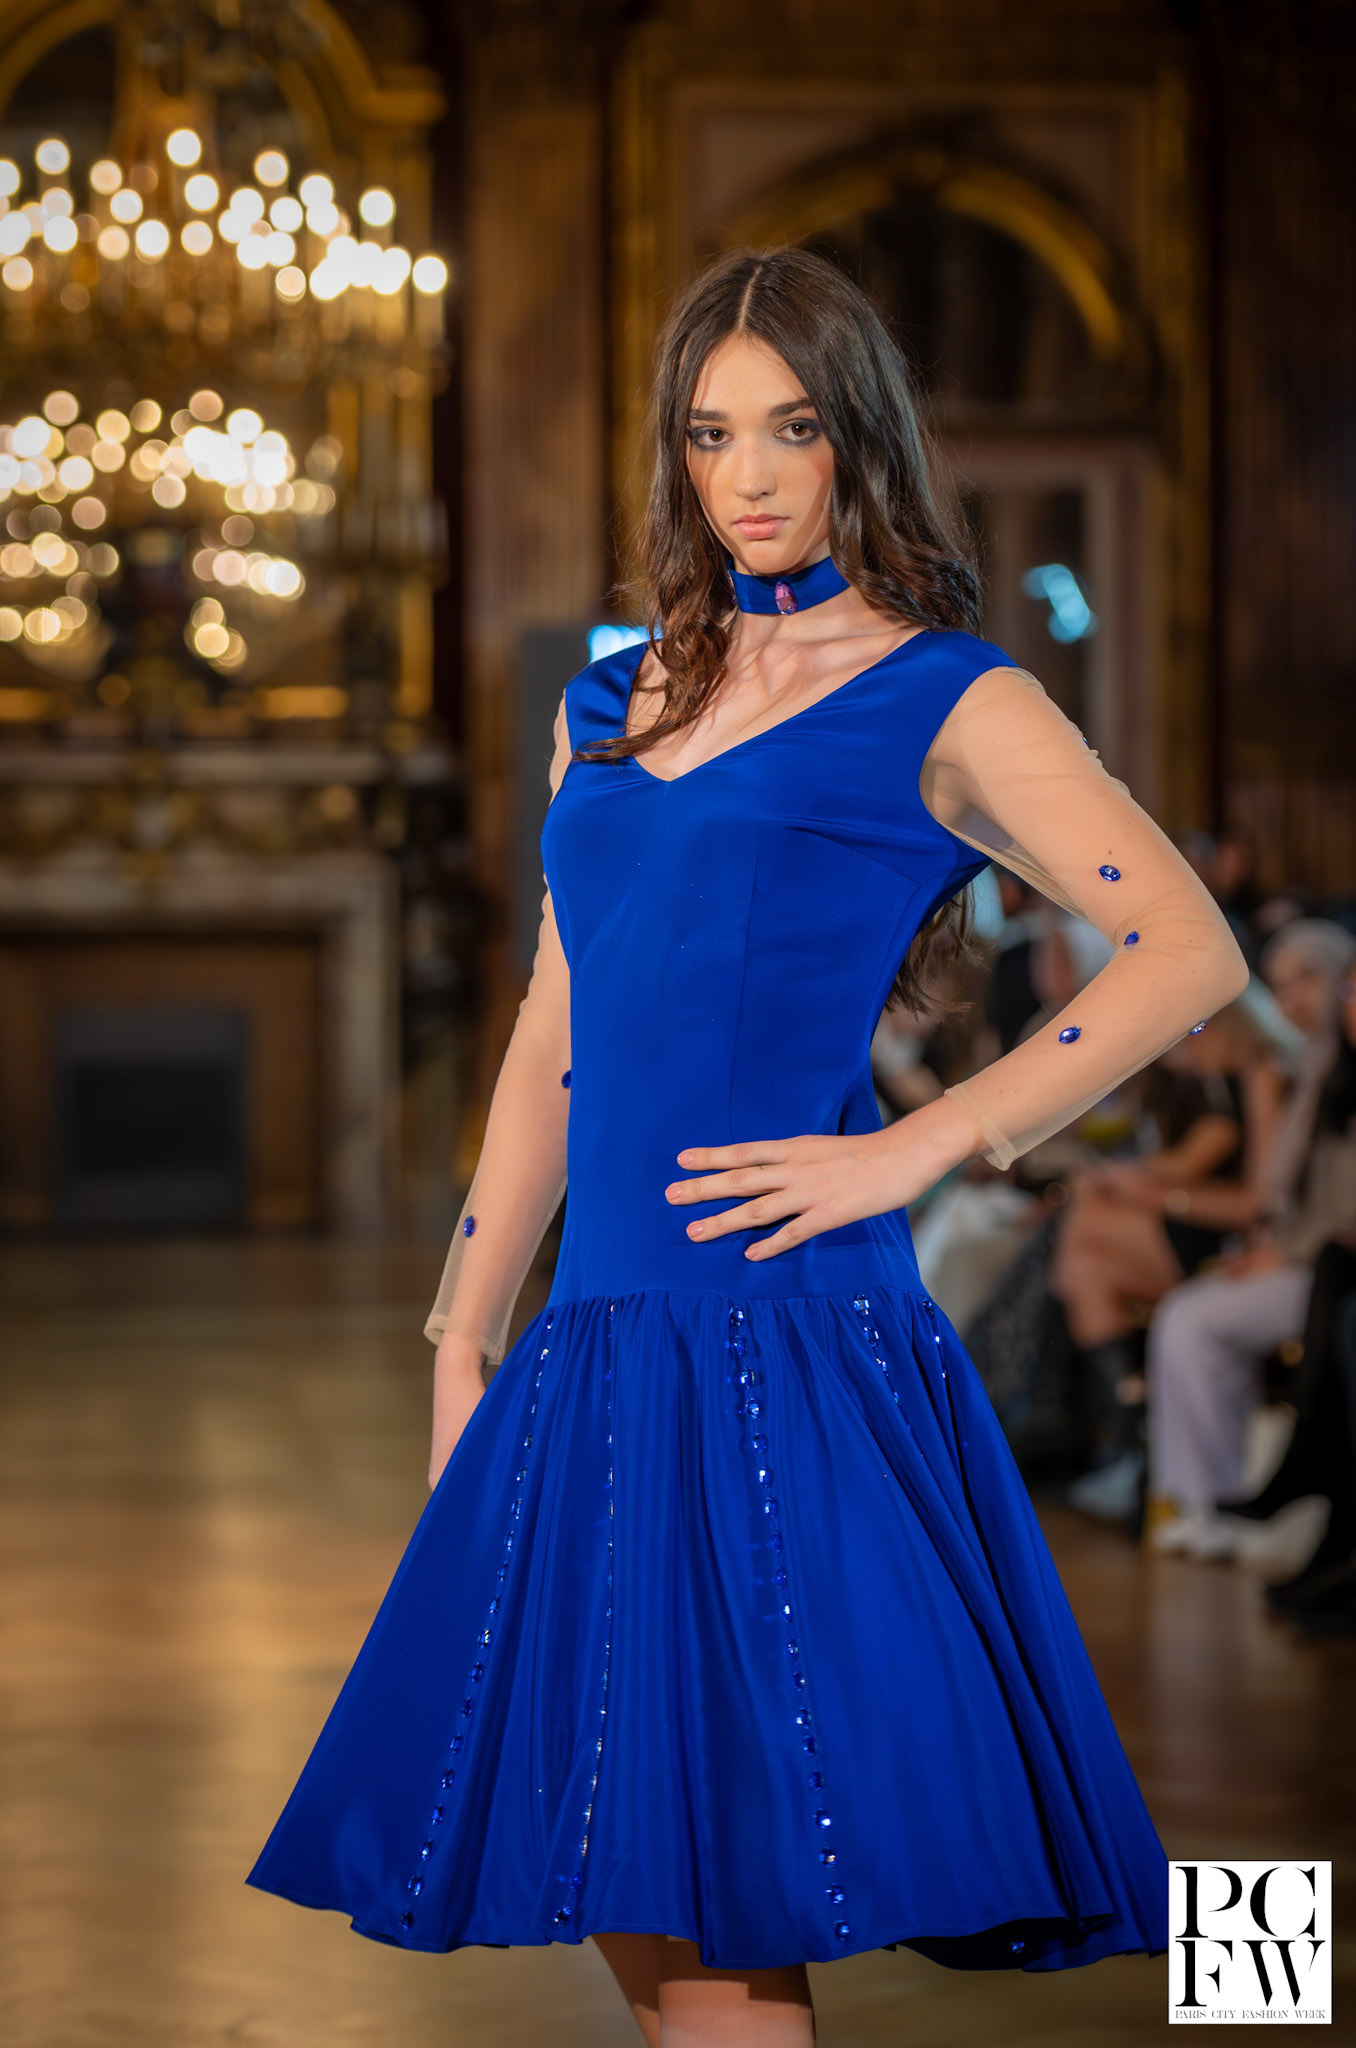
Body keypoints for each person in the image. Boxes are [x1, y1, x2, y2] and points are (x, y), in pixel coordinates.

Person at [246, 246, 1249, 2044]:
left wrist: (922, 1144)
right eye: (712, 434)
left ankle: (1277, 1978)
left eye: (792, 427)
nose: (753, 473)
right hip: (600, 1345)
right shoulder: (613, 704)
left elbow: (1190, 948)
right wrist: (463, 1331)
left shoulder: (950, 696)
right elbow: (555, 1032)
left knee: (721, 1890)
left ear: (860, 434)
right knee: (636, 1880)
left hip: (782, 1335)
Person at [1146, 919, 1356, 1562]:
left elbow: (1325, 1204)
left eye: (1309, 980)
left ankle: (1210, 1499)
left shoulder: (1314, 1070)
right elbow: (1282, 1197)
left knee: (1193, 1318)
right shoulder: (1314, 1065)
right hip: (1304, 1255)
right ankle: (1199, 1500)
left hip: (1325, 1265)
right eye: (1281, 986)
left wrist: (1277, 1251)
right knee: (1189, 1312)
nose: (1295, 999)